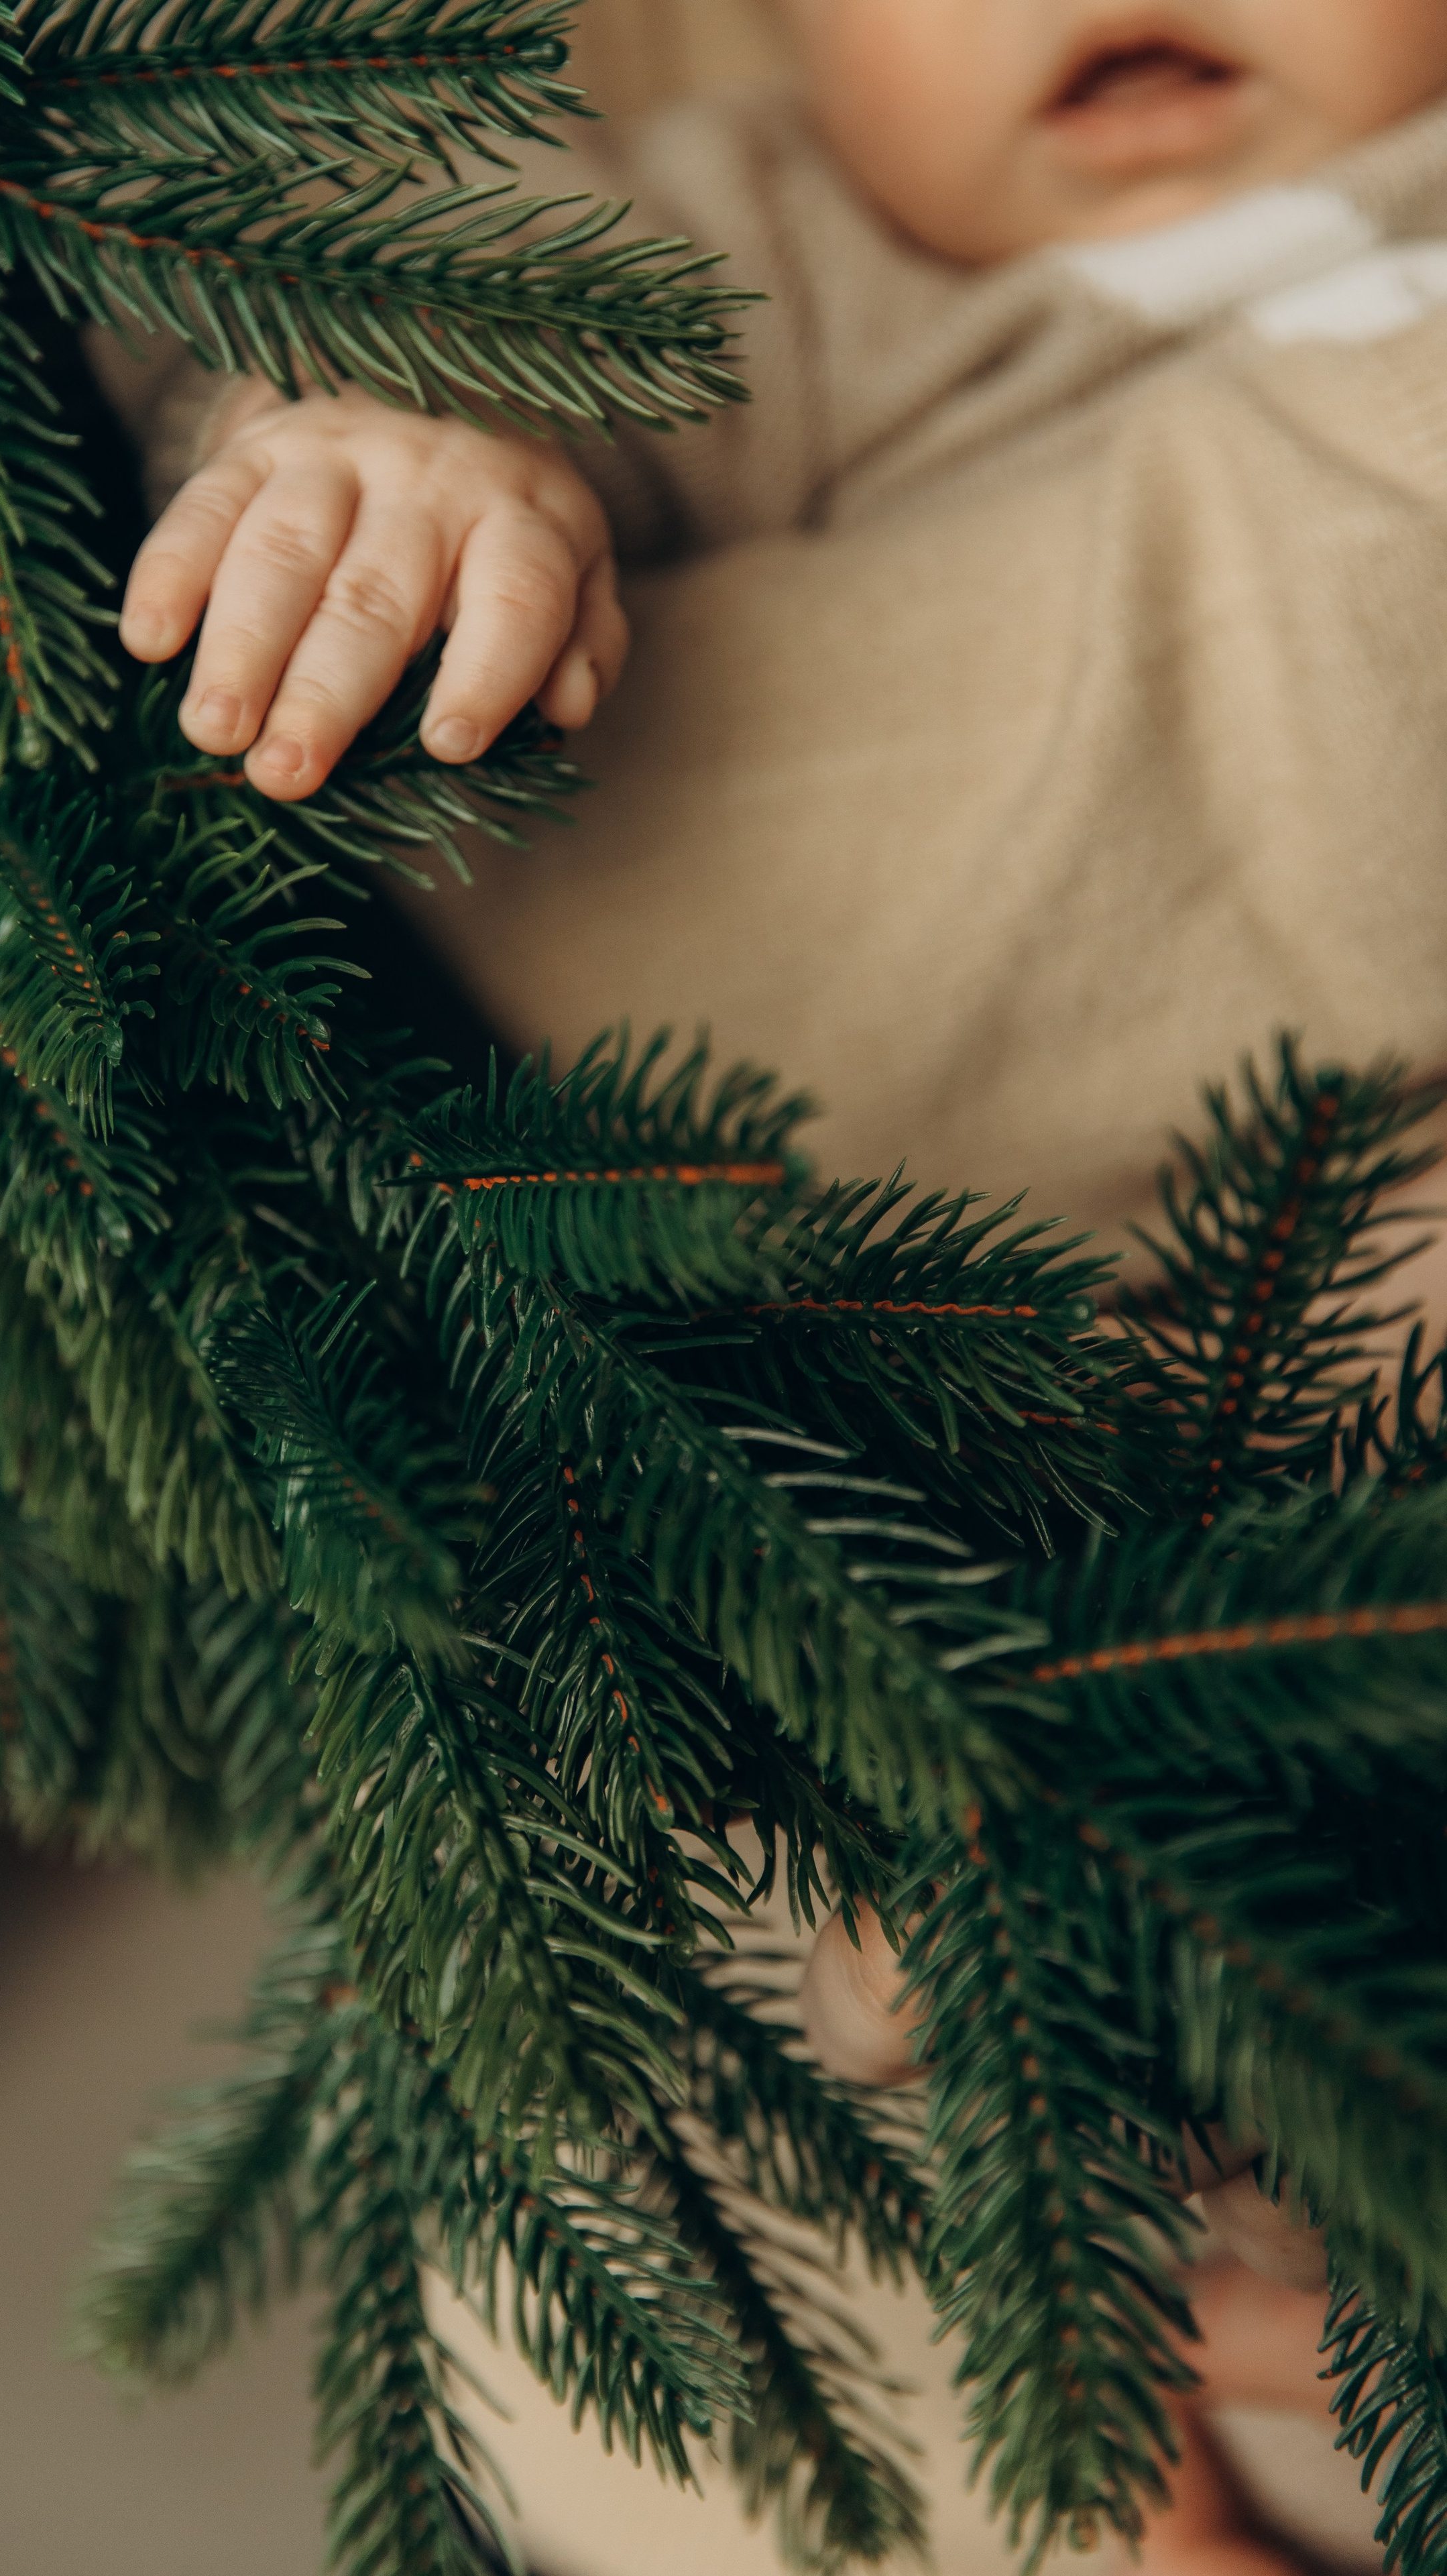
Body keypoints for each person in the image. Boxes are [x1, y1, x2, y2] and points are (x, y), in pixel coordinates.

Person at [93, 7, 1447, 2567]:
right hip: (994, 1471)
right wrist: (409, 449)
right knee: (661, 2119)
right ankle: (1109, 2503)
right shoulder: (757, 251)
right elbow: (418, 301)